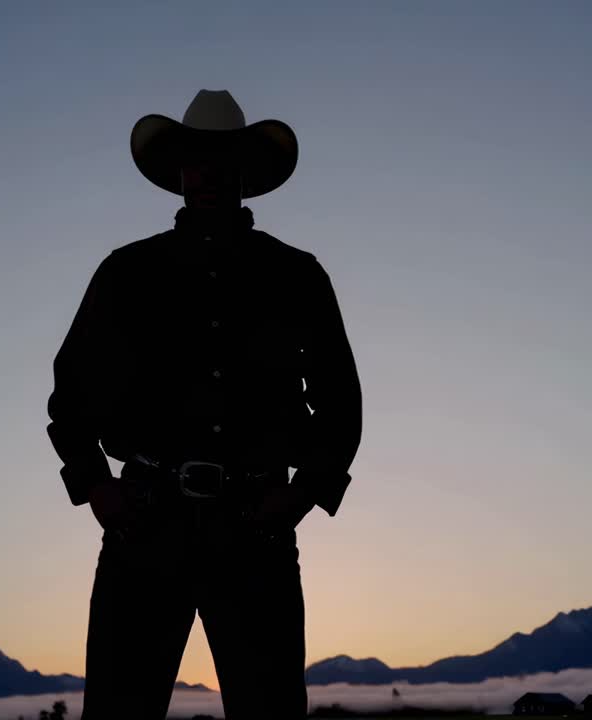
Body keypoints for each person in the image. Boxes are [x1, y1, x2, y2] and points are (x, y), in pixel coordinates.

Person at [46, 89, 363, 719]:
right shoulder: (126, 272)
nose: (211, 174)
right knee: (118, 713)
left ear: (245, 172)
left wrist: (300, 498)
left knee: (269, 712)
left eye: (224, 160)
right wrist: (96, 488)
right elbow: (71, 389)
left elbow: (340, 402)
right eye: (197, 160)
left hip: (256, 529)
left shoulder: (297, 275)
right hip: (144, 520)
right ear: (179, 173)